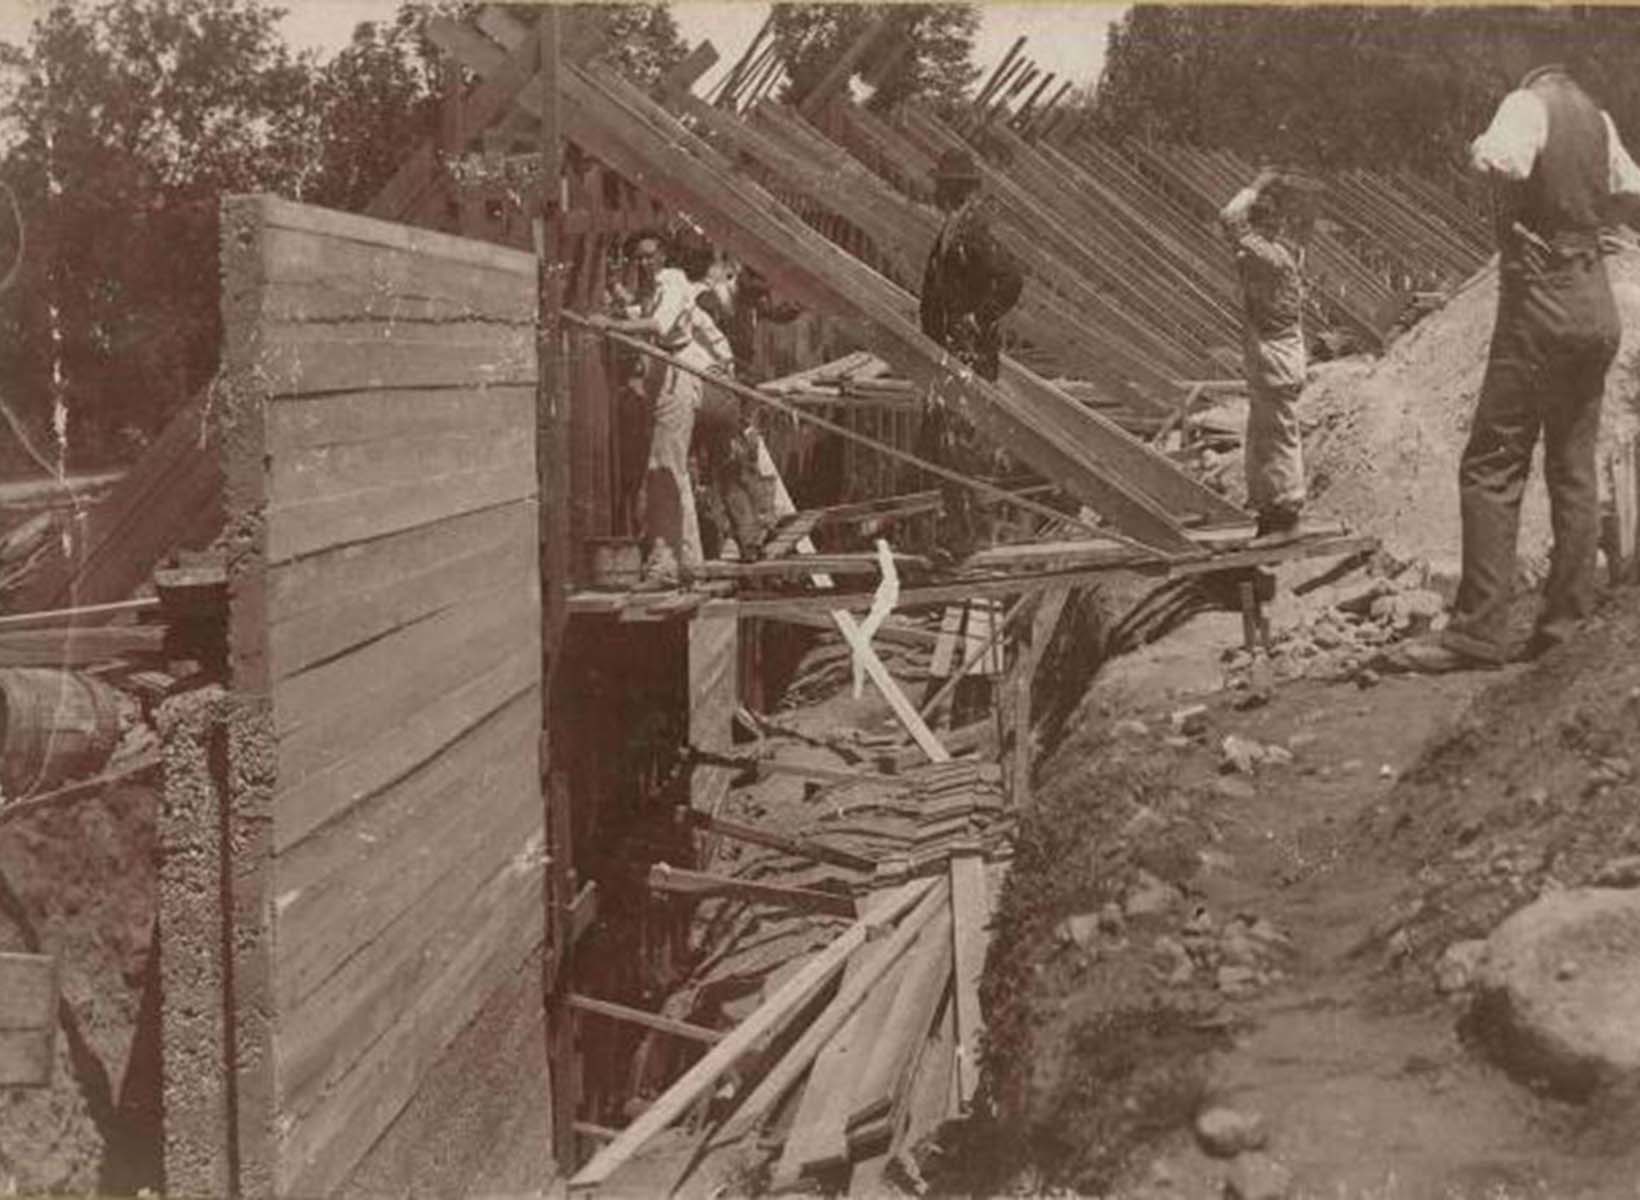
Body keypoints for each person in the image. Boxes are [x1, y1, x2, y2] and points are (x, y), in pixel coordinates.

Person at [1384, 52, 1640, 673]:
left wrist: (1483, 152)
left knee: (1493, 464)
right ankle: (1566, 624)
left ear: (1532, 79)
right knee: (1574, 467)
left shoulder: (1528, 105)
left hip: (1542, 302)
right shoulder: (1598, 118)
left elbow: (1500, 158)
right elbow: (1629, 188)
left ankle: (1477, 633)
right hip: (1595, 301)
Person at [590, 232, 735, 589]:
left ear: (664, 255)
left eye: (650, 256)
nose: (644, 263)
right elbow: (645, 311)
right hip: (669, 369)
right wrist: (619, 300)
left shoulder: (672, 280)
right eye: (638, 258)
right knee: (674, 469)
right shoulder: (655, 287)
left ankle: (666, 565)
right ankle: (689, 563)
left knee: (664, 468)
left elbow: (659, 324)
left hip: (681, 371)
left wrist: (613, 324)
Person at [916, 147, 1025, 561]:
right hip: (949, 357)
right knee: (944, 446)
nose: (935, 191)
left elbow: (1011, 280)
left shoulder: (970, 232)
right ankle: (958, 531)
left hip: (968, 358)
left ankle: (971, 537)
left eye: (940, 185)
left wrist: (978, 320)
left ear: (951, 189)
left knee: (961, 448)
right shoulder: (953, 230)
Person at [1220, 166, 1322, 542]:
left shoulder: (1272, 257)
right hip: (1271, 358)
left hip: (1276, 360)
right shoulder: (1276, 254)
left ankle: (1287, 515)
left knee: (1278, 438)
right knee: (1265, 439)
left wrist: (1257, 185)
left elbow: (1230, 219)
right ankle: (1270, 511)